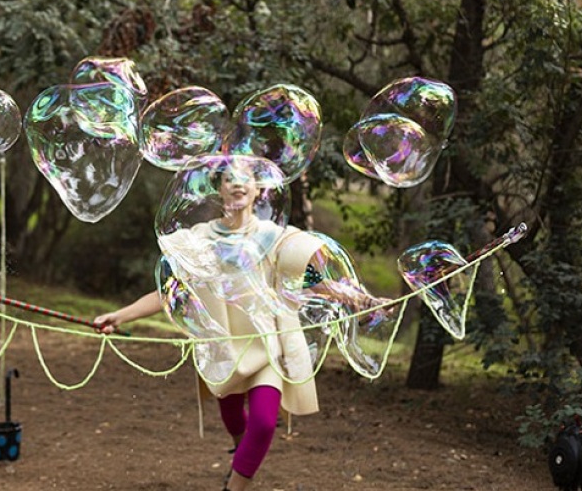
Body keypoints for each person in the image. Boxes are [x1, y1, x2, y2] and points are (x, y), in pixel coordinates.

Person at [94, 163, 389, 490]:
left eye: (245, 178)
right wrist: (120, 316)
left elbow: (313, 282)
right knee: (234, 418)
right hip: (223, 347)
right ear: (219, 189)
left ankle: (234, 486)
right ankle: (240, 448)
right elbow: (169, 292)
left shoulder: (274, 237)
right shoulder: (200, 240)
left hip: (267, 346)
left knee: (263, 423)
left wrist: (357, 299)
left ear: (257, 190)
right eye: (228, 179)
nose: (237, 184)